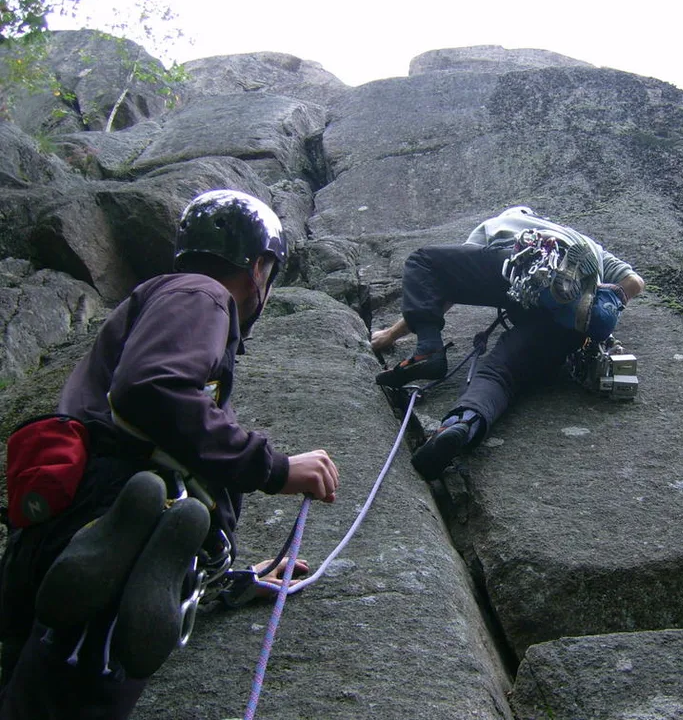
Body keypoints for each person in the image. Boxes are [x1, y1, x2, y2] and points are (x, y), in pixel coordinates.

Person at [0, 190, 339, 719]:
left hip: (76, 527)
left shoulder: (163, 296)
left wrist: (231, 579)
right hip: (122, 518)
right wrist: (274, 468)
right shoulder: (202, 295)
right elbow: (151, 388)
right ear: (258, 265)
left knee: (31, 690)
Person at [373, 205, 644, 480]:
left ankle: (428, 350)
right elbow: (633, 282)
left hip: (519, 265)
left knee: (423, 262)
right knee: (501, 374)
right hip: (570, 321)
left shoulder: (499, 224)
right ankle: (464, 423)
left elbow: (444, 286)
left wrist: (391, 334)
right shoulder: (585, 242)